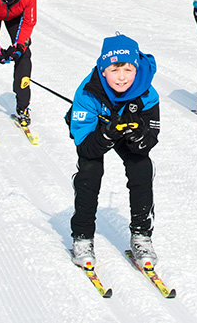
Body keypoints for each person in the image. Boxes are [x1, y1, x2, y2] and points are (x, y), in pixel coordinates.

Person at [68, 34, 161, 269]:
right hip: (98, 131)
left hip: (126, 131)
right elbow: (85, 146)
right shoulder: (87, 92)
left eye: (128, 70)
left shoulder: (147, 93)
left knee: (142, 167)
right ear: (103, 70)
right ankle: (82, 236)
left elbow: (149, 140)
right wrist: (107, 133)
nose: (121, 77)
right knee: (89, 170)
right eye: (114, 69)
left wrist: (138, 134)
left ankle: (141, 235)